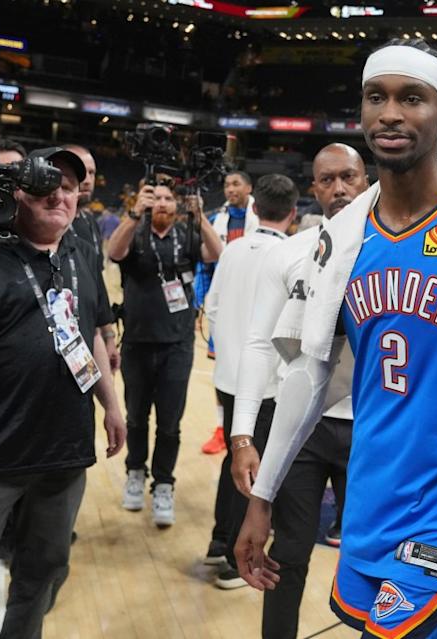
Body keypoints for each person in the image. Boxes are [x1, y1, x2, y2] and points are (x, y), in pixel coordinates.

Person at [236, 38, 437, 638]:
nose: (391, 114)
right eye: (376, 97)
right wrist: (264, 494)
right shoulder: (341, 237)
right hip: (369, 489)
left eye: (413, 98)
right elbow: (308, 373)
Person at [0, 147, 126, 636]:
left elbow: (91, 334)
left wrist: (112, 403)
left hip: (63, 455)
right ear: (15, 194)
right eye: (46, 184)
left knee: (42, 576)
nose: (61, 194)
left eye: (70, 186)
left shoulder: (79, 250)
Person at [224, 144, 367, 635]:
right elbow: (259, 344)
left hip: (370, 426)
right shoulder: (288, 254)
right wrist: (242, 435)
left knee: (373, 555)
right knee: (288, 553)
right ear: (313, 190)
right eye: (326, 180)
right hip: (299, 427)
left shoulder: (394, 254)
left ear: (366, 179)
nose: (339, 188)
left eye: (348, 176)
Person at [107, 178, 223, 527]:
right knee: (136, 418)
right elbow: (113, 253)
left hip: (177, 345)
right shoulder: (136, 231)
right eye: (154, 197)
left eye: (167, 198)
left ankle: (164, 485)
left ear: (177, 204)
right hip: (137, 343)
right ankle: (135, 471)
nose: (161, 203)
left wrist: (199, 217)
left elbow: (217, 254)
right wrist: (133, 213)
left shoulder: (187, 235)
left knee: (170, 424)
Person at [204, 174, 300, 589]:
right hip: (265, 385)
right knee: (252, 471)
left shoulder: (233, 250)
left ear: (255, 207)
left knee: (234, 460)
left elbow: (212, 306)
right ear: (294, 213)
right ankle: (230, 559)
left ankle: (217, 541)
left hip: (228, 376)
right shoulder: (293, 255)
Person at [200, 170, 259, 456]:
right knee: (222, 369)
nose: (230, 189)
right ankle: (222, 429)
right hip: (224, 307)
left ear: (249, 187)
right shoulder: (215, 219)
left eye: (236, 183)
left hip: (256, 305)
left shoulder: (263, 220)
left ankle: (249, 427)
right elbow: (205, 265)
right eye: (226, 184)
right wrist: (202, 300)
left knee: (254, 367)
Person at [63, 144, 119, 373]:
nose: (87, 179)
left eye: (92, 172)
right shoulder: (51, 225)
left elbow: (97, 286)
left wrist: (108, 335)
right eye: (80, 170)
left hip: (87, 337)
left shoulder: (89, 222)